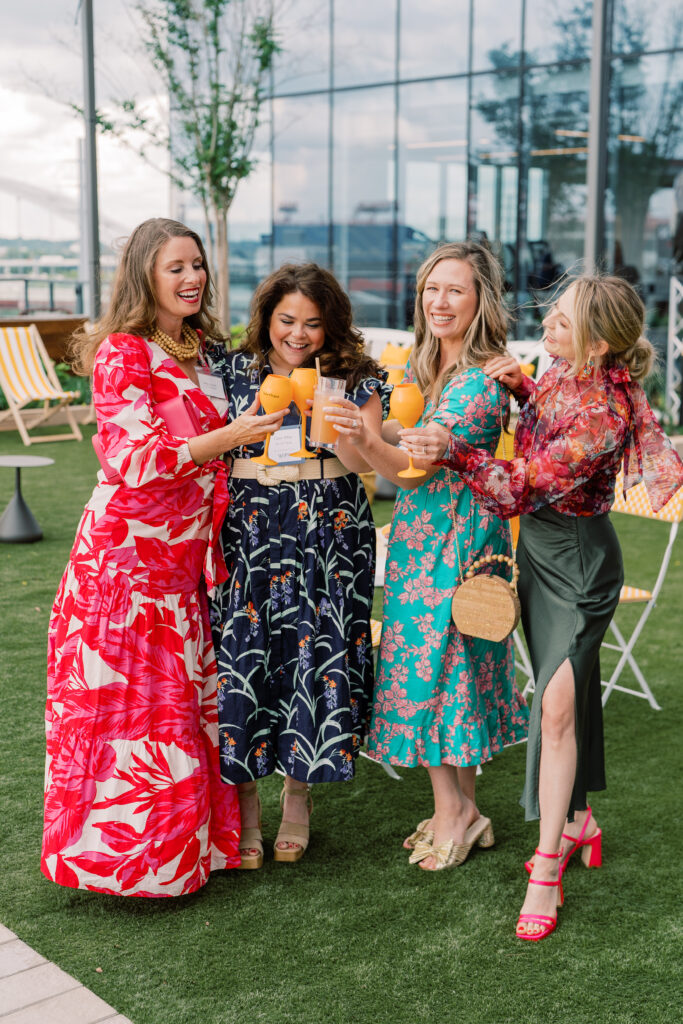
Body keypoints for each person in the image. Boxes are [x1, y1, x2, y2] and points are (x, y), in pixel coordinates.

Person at [401, 274, 683, 935]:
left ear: (599, 342)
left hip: (580, 567)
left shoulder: (603, 417)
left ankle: (546, 864)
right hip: (539, 557)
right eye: (550, 317)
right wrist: (522, 388)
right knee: (566, 694)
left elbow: (526, 481)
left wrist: (454, 449)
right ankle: (579, 820)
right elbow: (545, 420)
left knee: (553, 708)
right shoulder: (561, 372)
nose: (546, 329)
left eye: (560, 323)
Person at [42, 218, 285, 897]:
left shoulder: (203, 351)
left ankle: (189, 854)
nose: (191, 277)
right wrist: (230, 437)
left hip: (185, 563)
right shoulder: (125, 352)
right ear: (145, 274)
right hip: (123, 564)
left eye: (197, 265)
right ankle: (123, 866)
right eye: (175, 266)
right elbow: (135, 461)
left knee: (175, 714)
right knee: (129, 718)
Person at [325, 241, 529, 872]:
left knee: (436, 673)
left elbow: (411, 473)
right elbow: (379, 451)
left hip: (456, 544)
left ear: (481, 301)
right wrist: (356, 432)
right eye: (431, 288)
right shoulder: (421, 367)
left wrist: (366, 437)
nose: (439, 302)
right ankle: (465, 809)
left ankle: (453, 812)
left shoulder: (477, 380)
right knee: (453, 671)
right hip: (426, 542)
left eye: (456, 290)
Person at [206, 263, 389, 867]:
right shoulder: (232, 370)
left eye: (313, 323)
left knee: (316, 652)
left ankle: (298, 799)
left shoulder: (357, 378)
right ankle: (247, 808)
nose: (299, 334)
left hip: (331, 528)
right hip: (251, 525)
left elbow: (372, 459)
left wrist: (340, 432)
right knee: (243, 656)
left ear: (331, 324)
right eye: (287, 320)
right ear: (267, 318)